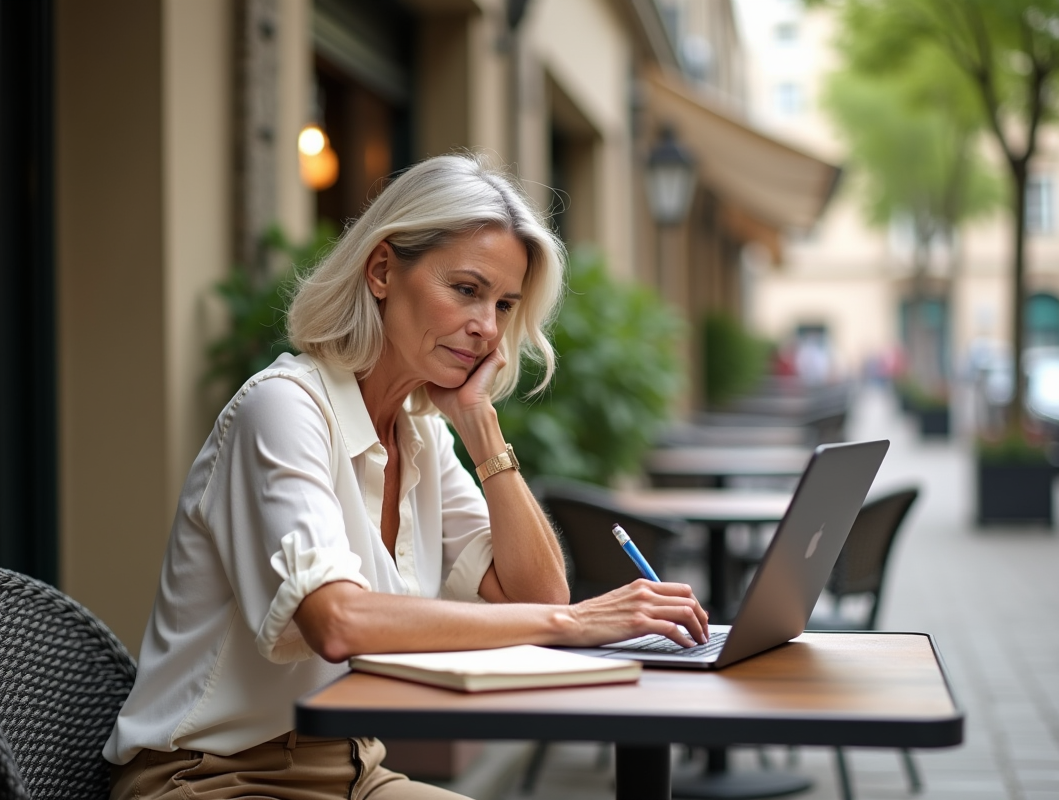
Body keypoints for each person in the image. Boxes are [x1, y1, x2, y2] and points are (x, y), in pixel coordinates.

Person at [103, 153, 709, 800]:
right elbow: (335, 622)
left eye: (504, 305)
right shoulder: (282, 408)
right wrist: (576, 625)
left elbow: (538, 596)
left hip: (356, 772)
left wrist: (481, 426)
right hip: (211, 780)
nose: (486, 327)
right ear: (383, 269)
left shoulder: (419, 433)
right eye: (467, 290)